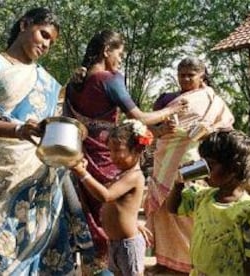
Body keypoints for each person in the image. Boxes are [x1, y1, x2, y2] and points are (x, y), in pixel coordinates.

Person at [0, 7, 94, 275]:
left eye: (51, 42)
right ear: (25, 24)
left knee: (48, 250)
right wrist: (17, 130)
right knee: (4, 248)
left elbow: (49, 131)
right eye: (43, 34)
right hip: (3, 175)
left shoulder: (47, 81)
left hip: (42, 174)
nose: (46, 44)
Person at [63, 30, 187, 274]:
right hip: (107, 157)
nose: (119, 60)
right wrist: (171, 109)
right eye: (119, 54)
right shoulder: (110, 79)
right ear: (106, 52)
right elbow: (138, 116)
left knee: (89, 216)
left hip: (81, 157)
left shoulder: (73, 84)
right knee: (114, 203)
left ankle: (92, 267)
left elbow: (69, 123)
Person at [143, 57, 235, 274]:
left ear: (202, 75)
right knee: (162, 212)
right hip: (164, 161)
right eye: (181, 74)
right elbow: (154, 126)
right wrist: (164, 126)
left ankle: (189, 263)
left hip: (192, 160)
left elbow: (227, 127)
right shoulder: (170, 99)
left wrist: (208, 129)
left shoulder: (213, 100)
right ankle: (164, 261)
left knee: (188, 211)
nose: (184, 79)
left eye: (189, 75)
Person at [166, 130, 250, 275]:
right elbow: (173, 208)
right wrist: (179, 183)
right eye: (202, 163)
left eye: (210, 165)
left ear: (234, 169)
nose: (204, 171)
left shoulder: (249, 213)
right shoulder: (202, 197)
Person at [71, 119, 153, 276]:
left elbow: (106, 196)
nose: (112, 157)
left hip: (128, 245)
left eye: (118, 151)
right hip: (115, 243)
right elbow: (122, 207)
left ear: (137, 149)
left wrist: (83, 174)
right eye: (110, 151)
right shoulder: (121, 175)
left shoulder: (134, 176)